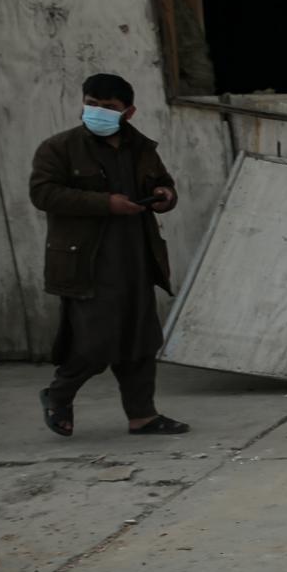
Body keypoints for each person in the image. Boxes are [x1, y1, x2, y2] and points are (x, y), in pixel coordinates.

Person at [31, 73, 189, 438]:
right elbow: (43, 194)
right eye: (92, 103)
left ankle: (142, 416)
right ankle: (58, 395)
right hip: (87, 261)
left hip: (135, 256)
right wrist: (106, 204)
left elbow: (162, 183)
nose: (97, 112)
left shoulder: (141, 147)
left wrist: (164, 195)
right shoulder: (60, 147)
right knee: (95, 342)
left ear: (128, 112)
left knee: (141, 339)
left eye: (109, 107)